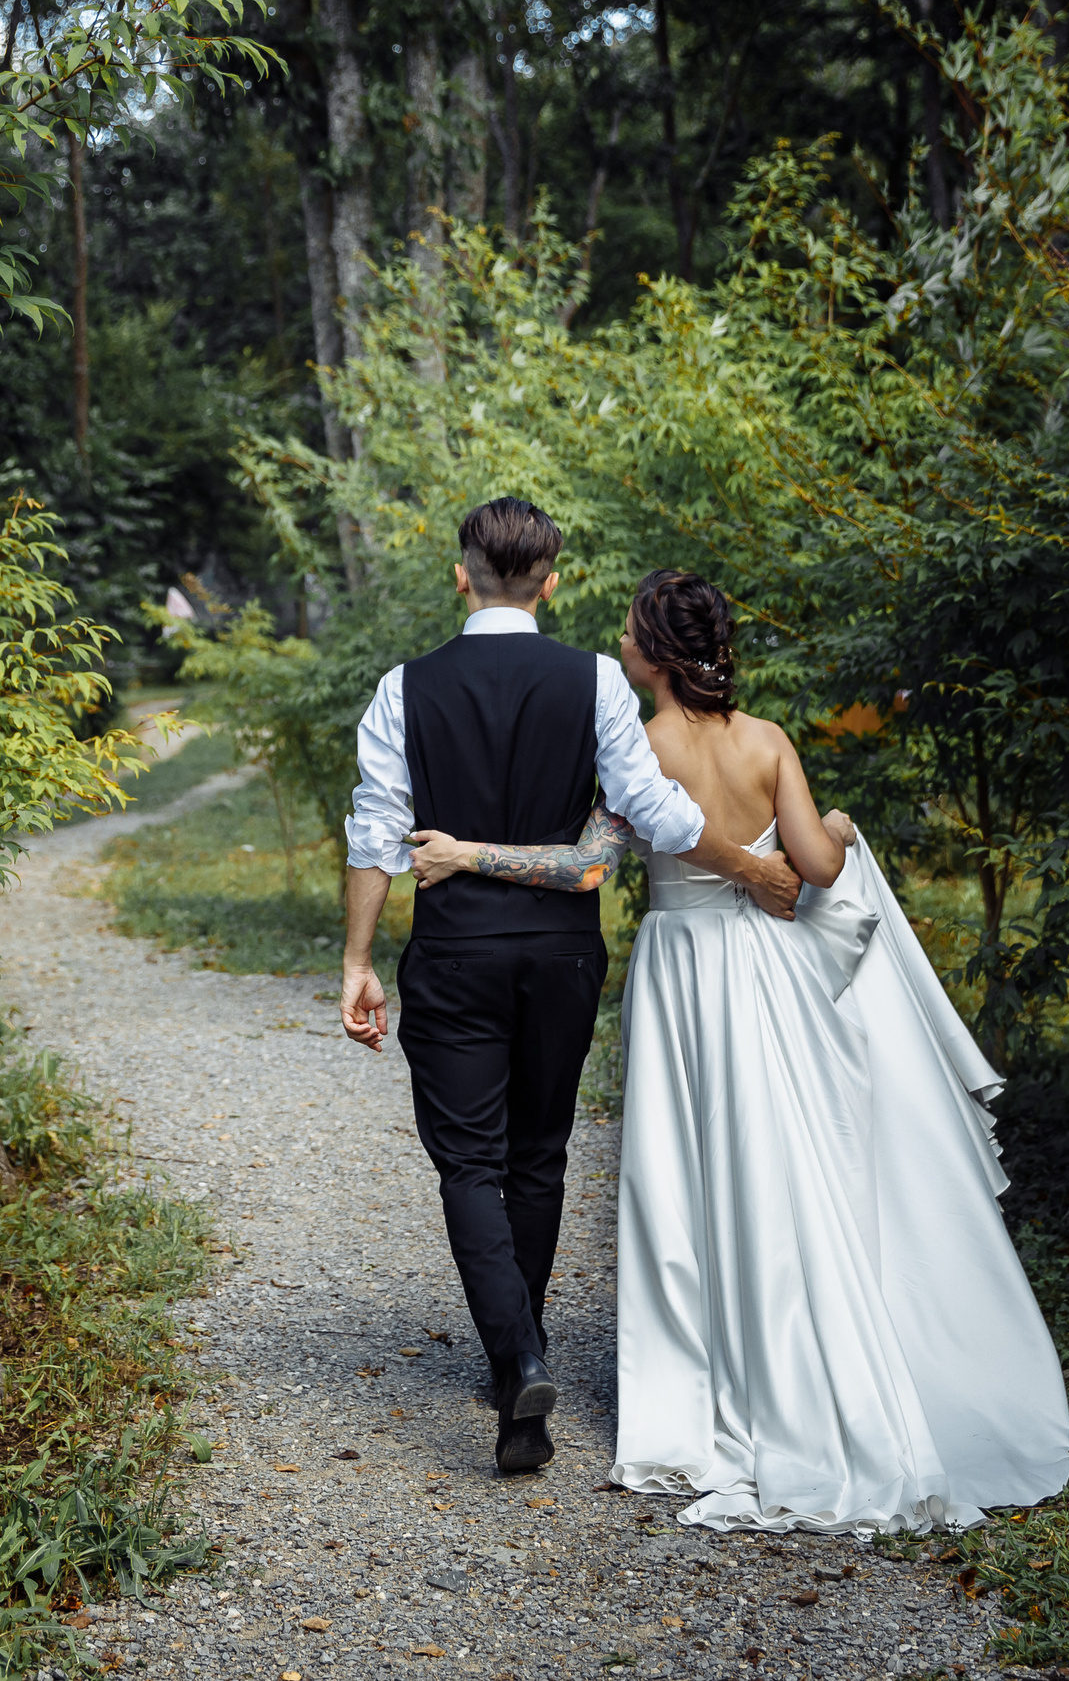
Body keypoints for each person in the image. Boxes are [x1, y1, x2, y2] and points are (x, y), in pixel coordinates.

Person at [405, 568, 1069, 1531]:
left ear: (656, 657)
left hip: (684, 972)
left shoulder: (633, 744)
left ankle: (704, 1384)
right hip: (773, 973)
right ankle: (802, 1356)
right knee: (791, 1162)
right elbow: (819, 867)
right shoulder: (766, 741)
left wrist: (468, 854)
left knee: (689, 1174)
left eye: (632, 635)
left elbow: (585, 863)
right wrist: (836, 825)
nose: (621, 646)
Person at [338, 501, 802, 1476]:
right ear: (551, 584)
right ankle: (524, 1353)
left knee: (468, 1164)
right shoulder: (592, 680)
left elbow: (375, 834)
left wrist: (357, 962)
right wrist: (751, 859)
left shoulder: (403, 689)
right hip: (560, 956)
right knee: (538, 1155)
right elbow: (653, 813)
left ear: (461, 576)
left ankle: (518, 1364)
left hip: (456, 955)